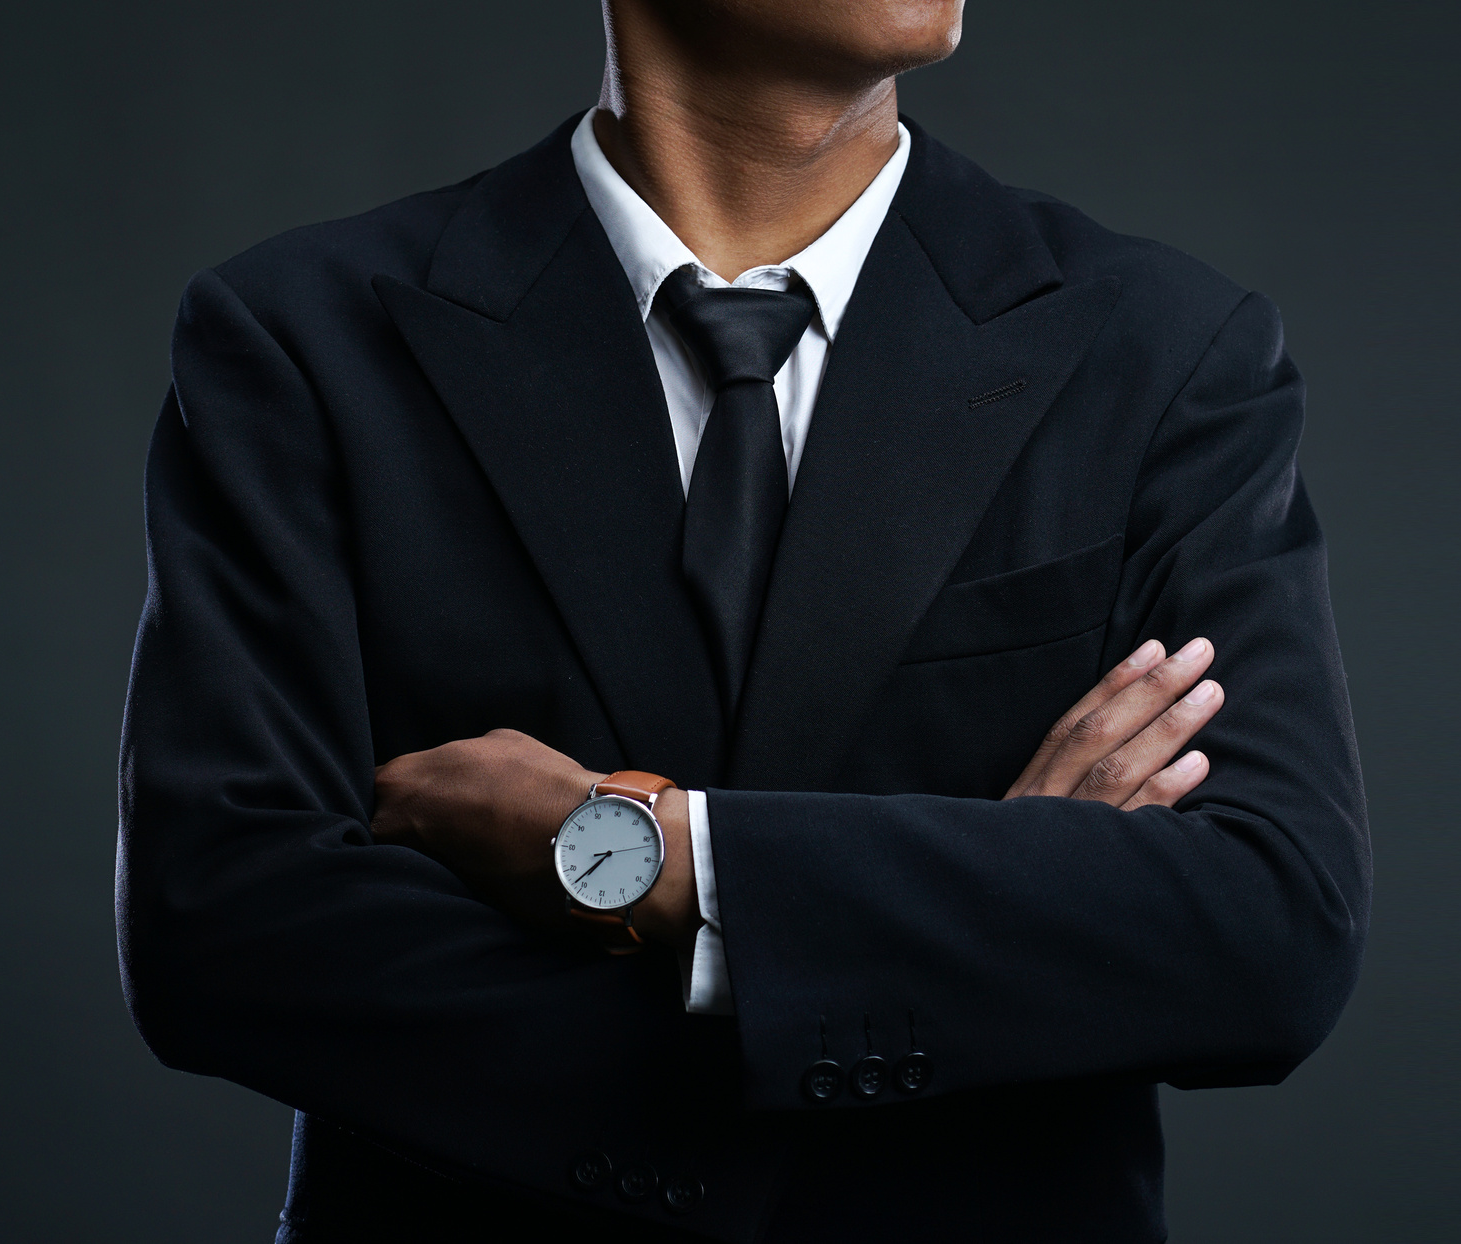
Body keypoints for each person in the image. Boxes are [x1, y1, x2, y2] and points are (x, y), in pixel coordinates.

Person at [114, 1, 1368, 1239]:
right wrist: (994, 915)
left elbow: (1266, 928)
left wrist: (651, 855)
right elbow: (223, 928)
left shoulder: (1165, 351)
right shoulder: (303, 338)